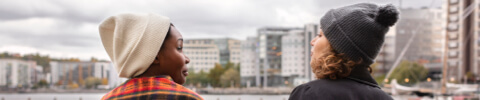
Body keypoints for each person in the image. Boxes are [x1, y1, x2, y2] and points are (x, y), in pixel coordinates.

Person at [289, 3, 398, 100]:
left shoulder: (308, 94)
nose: (312, 42)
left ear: (337, 47)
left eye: (320, 35)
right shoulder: (384, 98)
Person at [99, 13, 203, 100]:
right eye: (179, 48)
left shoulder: (108, 98)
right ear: (154, 56)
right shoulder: (190, 98)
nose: (187, 59)